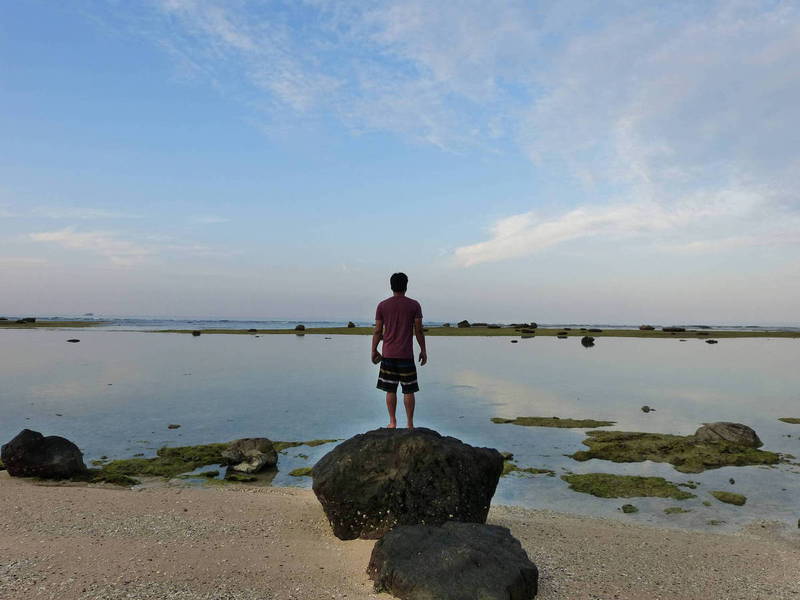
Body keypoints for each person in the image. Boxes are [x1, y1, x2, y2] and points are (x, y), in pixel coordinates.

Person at [371, 272, 427, 429]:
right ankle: (410, 424)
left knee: (390, 390)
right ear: (406, 286)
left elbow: (377, 331)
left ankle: (392, 422)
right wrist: (423, 350)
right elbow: (419, 330)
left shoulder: (382, 305)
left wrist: (374, 350)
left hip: (388, 354)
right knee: (409, 390)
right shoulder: (414, 305)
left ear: (391, 286)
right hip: (406, 355)